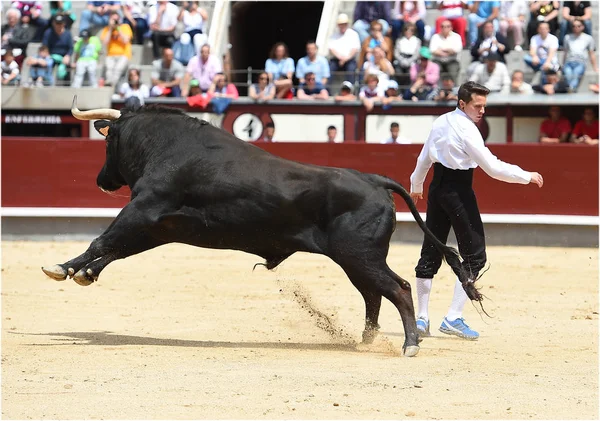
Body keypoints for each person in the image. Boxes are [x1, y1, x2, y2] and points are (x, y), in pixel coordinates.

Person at [409, 81, 544, 340]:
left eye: (484, 106)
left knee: (431, 251)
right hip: (459, 193)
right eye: (477, 106)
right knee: (475, 257)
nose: (482, 111)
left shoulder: (440, 121)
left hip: (437, 190)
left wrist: (417, 184)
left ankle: (422, 318)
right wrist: (525, 175)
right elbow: (492, 168)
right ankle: (452, 317)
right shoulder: (468, 131)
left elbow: (424, 157)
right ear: (462, 104)